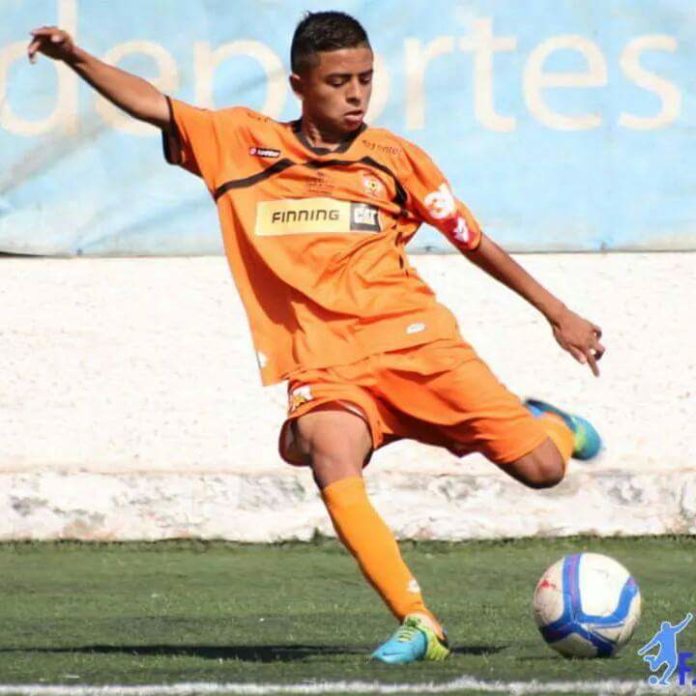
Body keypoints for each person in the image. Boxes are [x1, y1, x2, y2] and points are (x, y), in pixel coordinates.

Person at [28, 10, 605, 664]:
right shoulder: (241, 141)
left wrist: (557, 312)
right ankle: (420, 623)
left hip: (419, 347)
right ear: (300, 84)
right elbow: (154, 107)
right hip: (327, 366)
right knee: (330, 450)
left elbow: (474, 243)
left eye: (365, 79)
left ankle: (548, 425)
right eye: (339, 81)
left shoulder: (394, 159)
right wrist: (75, 57)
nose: (356, 93)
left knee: (542, 470)